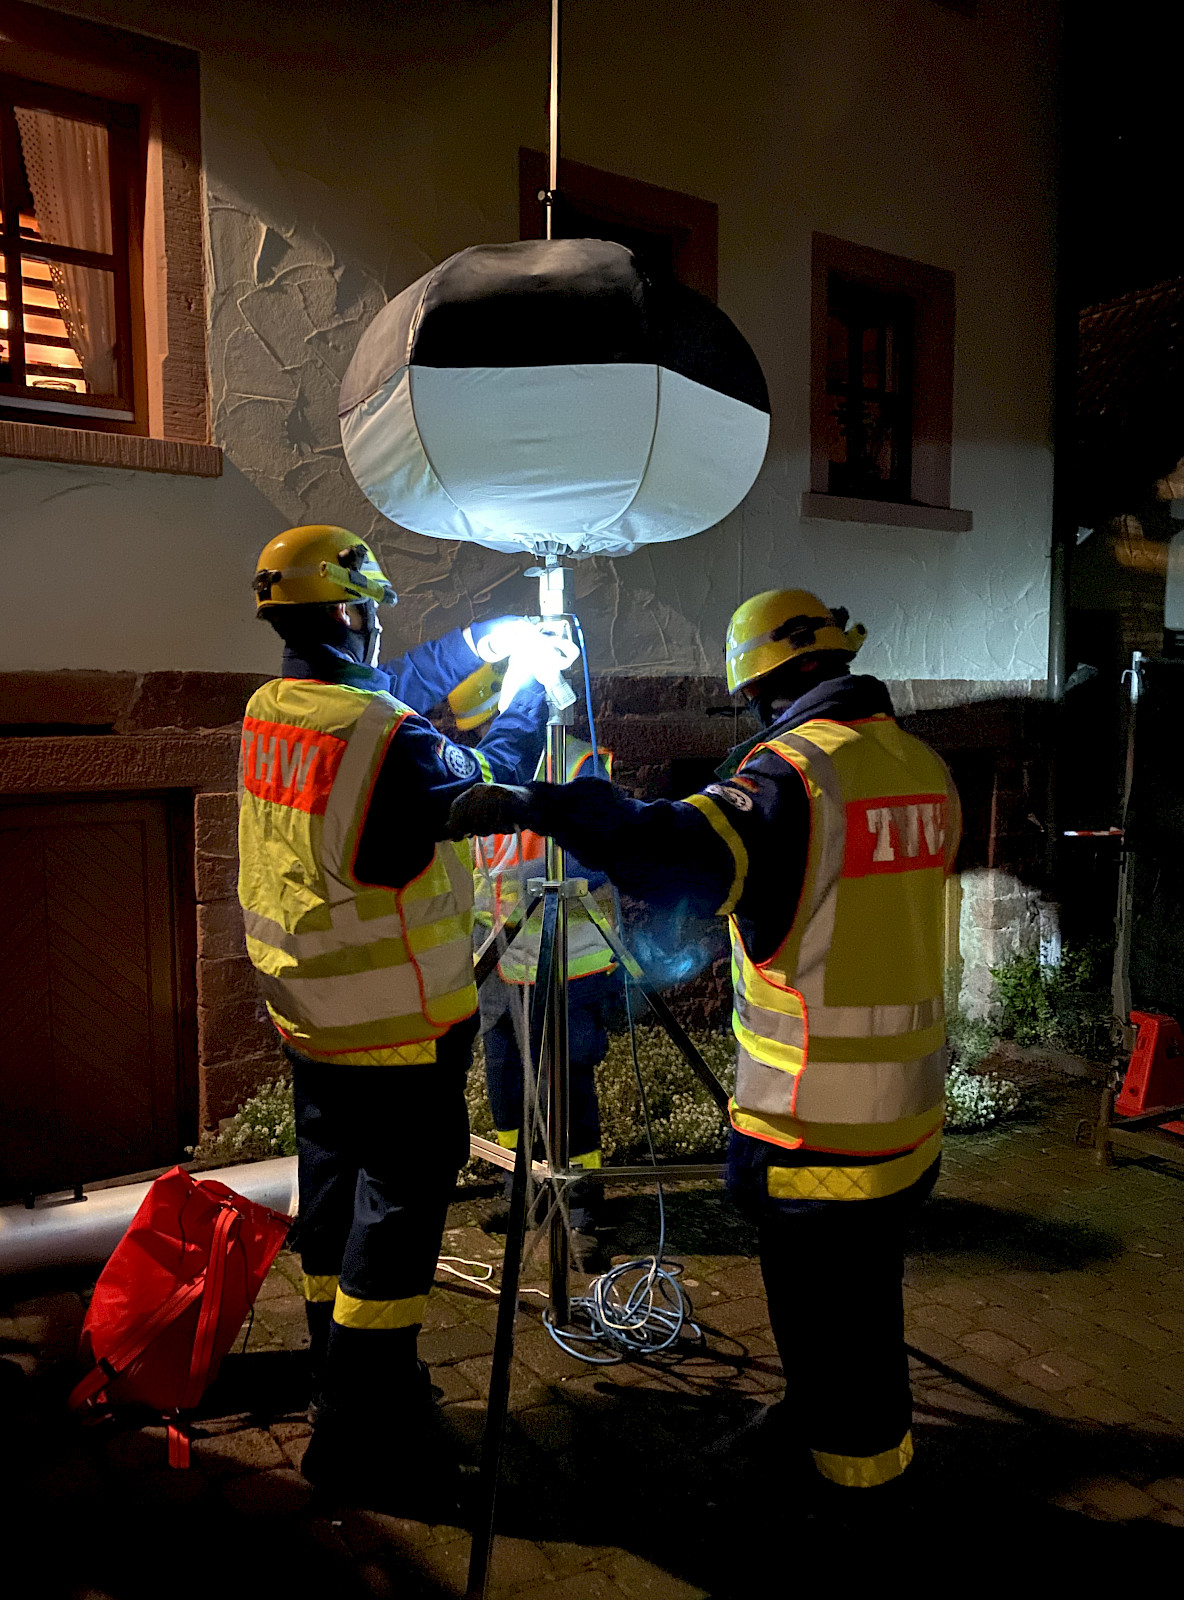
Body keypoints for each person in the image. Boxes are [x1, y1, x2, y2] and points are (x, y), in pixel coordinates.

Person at [447, 587, 961, 1503]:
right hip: (909, 1109)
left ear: (758, 682)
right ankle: (833, 1428)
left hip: (816, 1119)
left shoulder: (792, 776)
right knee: (864, 1296)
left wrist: (563, 807)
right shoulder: (921, 764)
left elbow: (677, 848)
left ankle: (856, 1485)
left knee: (829, 1314)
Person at [237, 523, 554, 1505]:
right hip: (397, 1025)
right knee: (399, 1213)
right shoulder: (392, 745)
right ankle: (362, 1424)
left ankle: (334, 1363)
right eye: (372, 611)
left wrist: (482, 643)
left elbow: (390, 696)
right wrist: (532, 691)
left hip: (306, 1011)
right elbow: (490, 787)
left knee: (330, 1195)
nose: (380, 629)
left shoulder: (276, 706)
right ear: (348, 613)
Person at [449, 666, 619, 1262]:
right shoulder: (483, 776)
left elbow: (605, 856)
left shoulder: (577, 766)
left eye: (487, 727)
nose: (480, 744)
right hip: (497, 965)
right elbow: (475, 874)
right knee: (507, 1088)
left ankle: (580, 1204)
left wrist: (537, 881)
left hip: (567, 963)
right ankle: (520, 1189)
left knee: (566, 1088)